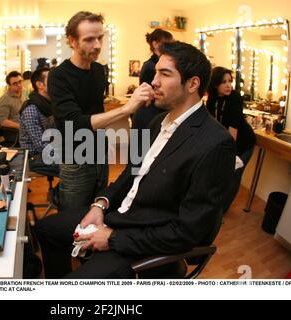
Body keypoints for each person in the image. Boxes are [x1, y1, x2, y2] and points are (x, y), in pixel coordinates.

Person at [35, 41, 236, 279]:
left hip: (142, 238)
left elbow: (186, 233)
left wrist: (112, 238)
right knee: (46, 229)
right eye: (155, 73)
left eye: (165, 74)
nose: (153, 82)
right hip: (120, 215)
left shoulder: (215, 143)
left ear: (193, 84)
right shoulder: (155, 123)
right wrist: (101, 204)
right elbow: (131, 172)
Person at [48, 11, 153, 210]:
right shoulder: (58, 76)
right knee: (74, 219)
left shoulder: (99, 71)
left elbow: (95, 110)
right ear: (72, 41)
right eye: (89, 39)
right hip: (75, 157)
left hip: (100, 152)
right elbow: (74, 123)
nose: (97, 45)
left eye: (100, 38)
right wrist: (126, 109)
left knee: (97, 210)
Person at [206, 67, 256, 213]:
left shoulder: (235, 98)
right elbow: (211, 124)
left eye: (230, 81)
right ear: (215, 85)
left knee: (233, 177)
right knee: (219, 175)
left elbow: (232, 131)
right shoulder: (212, 99)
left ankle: (221, 212)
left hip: (243, 144)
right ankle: (214, 206)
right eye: (224, 82)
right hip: (226, 142)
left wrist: (227, 155)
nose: (228, 85)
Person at [19, 67, 59, 177]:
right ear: (40, 85)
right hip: (34, 157)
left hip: (49, 150)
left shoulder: (50, 104)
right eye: (51, 80)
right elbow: (40, 145)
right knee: (74, 166)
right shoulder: (31, 109)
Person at [132, 29, 174, 131]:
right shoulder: (150, 66)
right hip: (148, 115)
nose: (170, 48)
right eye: (167, 44)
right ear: (155, 44)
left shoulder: (156, 64)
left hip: (156, 113)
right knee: (141, 146)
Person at [0, 71, 24, 144]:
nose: (19, 85)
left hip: (25, 129)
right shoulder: (5, 99)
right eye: (15, 84)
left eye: (20, 81)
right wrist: (20, 126)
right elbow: (3, 121)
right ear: (9, 85)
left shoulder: (23, 93)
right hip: (14, 134)